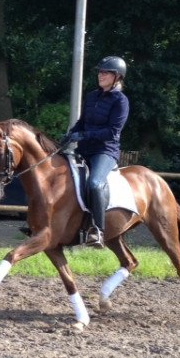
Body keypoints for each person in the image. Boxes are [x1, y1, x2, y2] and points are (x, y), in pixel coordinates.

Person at [66, 56, 129, 248]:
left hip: (105, 151)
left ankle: (97, 230)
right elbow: (82, 122)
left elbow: (112, 131)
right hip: (84, 149)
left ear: (116, 77)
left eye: (105, 72)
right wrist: (71, 134)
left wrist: (85, 135)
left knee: (94, 183)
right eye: (100, 72)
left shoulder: (121, 101)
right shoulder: (92, 96)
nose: (100, 75)